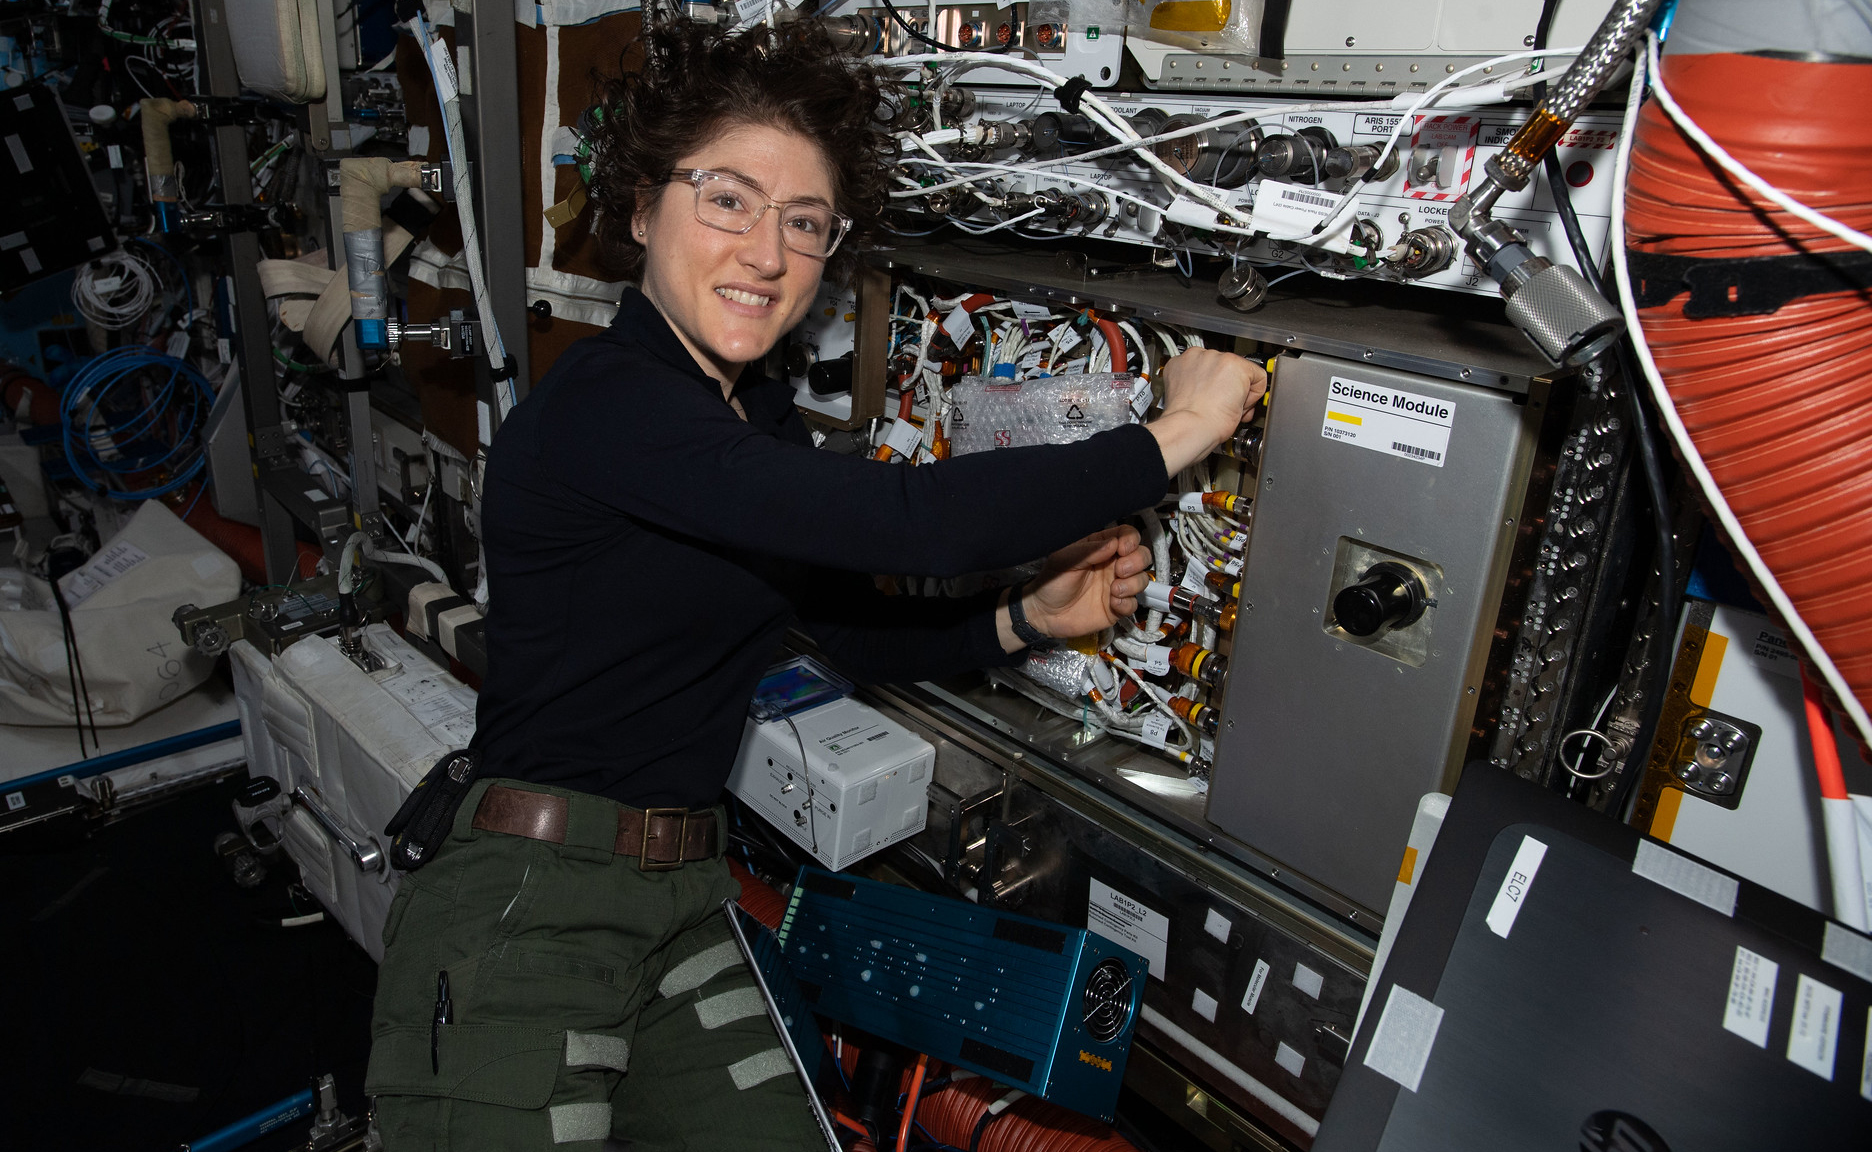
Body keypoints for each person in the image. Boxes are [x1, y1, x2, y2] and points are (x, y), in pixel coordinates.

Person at [364, 18, 1264, 1151]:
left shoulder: (748, 421)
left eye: (804, 223)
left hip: (677, 900)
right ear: (642, 209)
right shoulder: (607, 403)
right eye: (726, 200)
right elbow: (904, 522)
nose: (767, 254)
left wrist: (1024, 615)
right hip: (526, 906)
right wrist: (1174, 430)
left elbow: (833, 627)